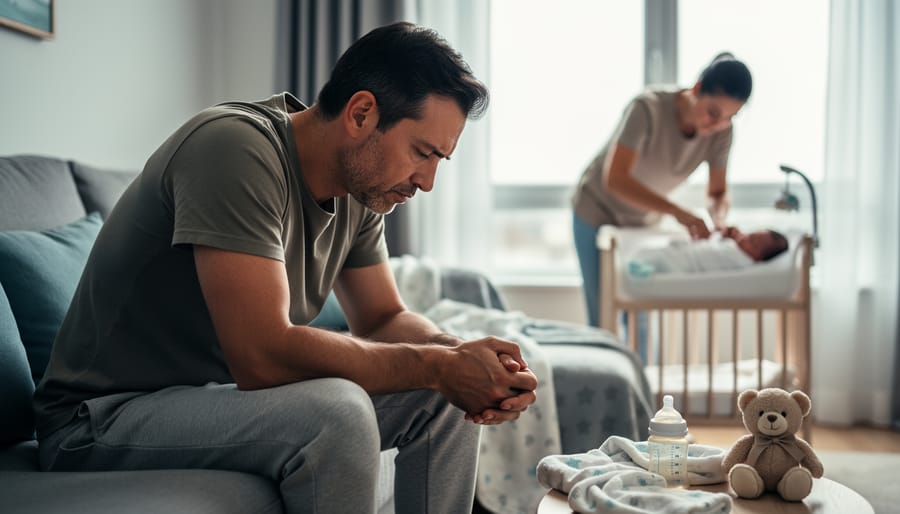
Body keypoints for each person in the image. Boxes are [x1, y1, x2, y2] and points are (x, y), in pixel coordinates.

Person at [33, 22, 537, 514]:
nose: (426, 182)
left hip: (210, 400)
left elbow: (383, 318)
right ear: (361, 113)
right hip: (99, 418)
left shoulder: (362, 191)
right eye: (422, 153)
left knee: (441, 400)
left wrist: (463, 358)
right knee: (338, 412)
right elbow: (261, 356)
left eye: (438, 161)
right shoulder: (234, 149)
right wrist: (437, 366)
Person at [572, 52, 753, 327]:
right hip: (595, 212)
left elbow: (717, 192)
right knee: (604, 314)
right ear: (696, 89)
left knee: (642, 314)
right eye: (714, 113)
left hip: (641, 223)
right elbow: (615, 179)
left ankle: (642, 371)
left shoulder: (722, 133)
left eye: (730, 118)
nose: (717, 125)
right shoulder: (647, 108)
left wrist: (719, 222)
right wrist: (679, 213)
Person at [627, 227, 789, 277]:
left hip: (684, 264)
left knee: (660, 257)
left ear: (758, 257)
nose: (745, 239)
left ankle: (642, 269)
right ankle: (641, 265)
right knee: (654, 250)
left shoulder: (742, 260)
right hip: (685, 255)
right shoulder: (735, 248)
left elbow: (717, 250)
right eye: (750, 235)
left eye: (752, 242)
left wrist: (724, 237)